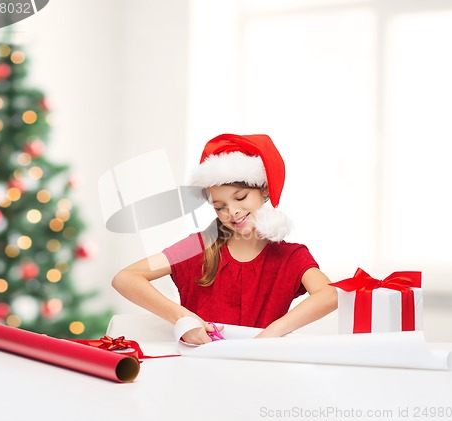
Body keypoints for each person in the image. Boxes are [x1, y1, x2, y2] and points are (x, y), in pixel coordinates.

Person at [112, 134, 337, 345]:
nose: (233, 212)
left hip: (262, 369)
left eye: (240, 197)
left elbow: (329, 295)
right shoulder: (197, 247)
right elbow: (126, 278)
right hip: (199, 369)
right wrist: (182, 318)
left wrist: (270, 334)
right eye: (220, 207)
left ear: (265, 191)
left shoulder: (290, 257)